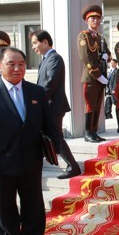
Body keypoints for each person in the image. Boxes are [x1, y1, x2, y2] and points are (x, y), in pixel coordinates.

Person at [0, 47, 60, 235]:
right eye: (11, 64)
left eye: (22, 64)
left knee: (33, 202)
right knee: (5, 207)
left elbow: (49, 124)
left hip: (31, 158)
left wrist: (56, 148)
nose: (17, 68)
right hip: (1, 162)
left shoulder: (36, 92)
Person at [30, 29, 81, 179]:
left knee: (56, 136)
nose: (33, 47)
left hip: (53, 105)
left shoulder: (54, 58)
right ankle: (60, 161)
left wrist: (36, 100)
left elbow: (49, 83)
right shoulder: (45, 59)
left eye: (35, 43)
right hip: (48, 105)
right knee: (51, 135)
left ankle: (73, 166)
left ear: (45, 42)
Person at [77, 4, 111, 143]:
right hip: (91, 77)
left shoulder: (100, 37)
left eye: (98, 18)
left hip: (101, 76)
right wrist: (98, 75)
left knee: (97, 105)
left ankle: (94, 131)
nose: (96, 21)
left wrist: (106, 56)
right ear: (87, 20)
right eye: (93, 18)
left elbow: (107, 53)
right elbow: (86, 58)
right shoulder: (84, 36)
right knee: (90, 105)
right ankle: (87, 133)